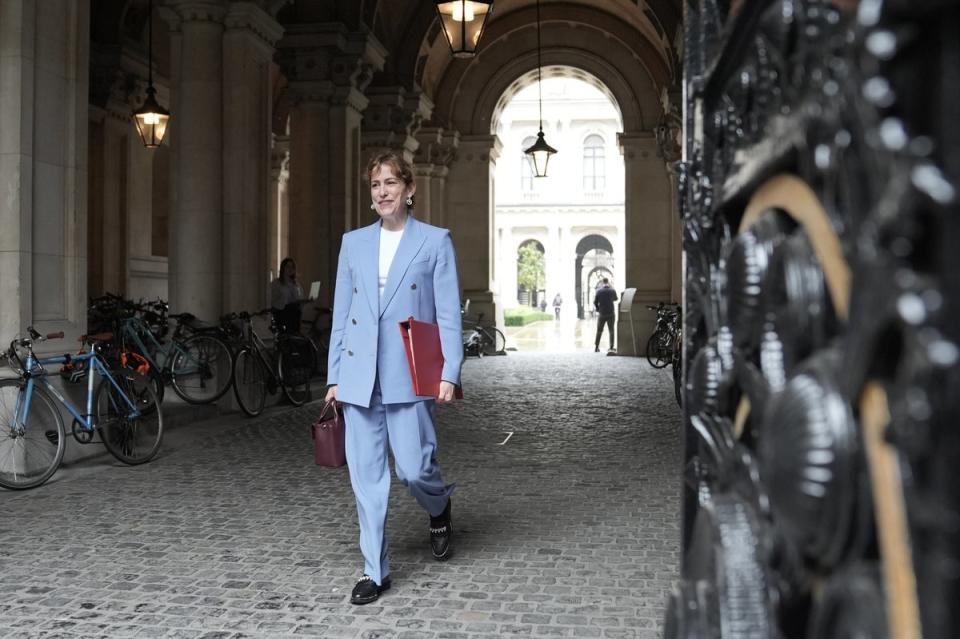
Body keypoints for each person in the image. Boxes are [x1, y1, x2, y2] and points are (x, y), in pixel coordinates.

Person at [325, 151, 463, 606]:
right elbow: (342, 314)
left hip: (410, 369)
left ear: (409, 189)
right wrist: (334, 377)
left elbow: (447, 313)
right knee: (366, 478)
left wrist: (449, 370)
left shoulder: (435, 241)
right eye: (375, 185)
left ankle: (438, 505)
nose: (382, 192)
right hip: (359, 372)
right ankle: (374, 571)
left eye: (390, 183)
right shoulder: (353, 243)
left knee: (413, 467)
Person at [270, 257, 304, 334]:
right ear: (283, 268)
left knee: (296, 310)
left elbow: (299, 297)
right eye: (288, 266)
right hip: (281, 311)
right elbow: (272, 300)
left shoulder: (296, 284)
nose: (290, 269)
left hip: (294, 312)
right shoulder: (276, 283)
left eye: (292, 267)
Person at [593, 278, 618, 352]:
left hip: (602, 313)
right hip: (610, 313)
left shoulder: (599, 291)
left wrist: (598, 309)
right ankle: (611, 347)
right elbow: (616, 299)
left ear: (602, 283)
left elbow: (595, 302)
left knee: (599, 330)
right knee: (611, 330)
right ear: (608, 282)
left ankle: (596, 347)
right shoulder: (612, 290)